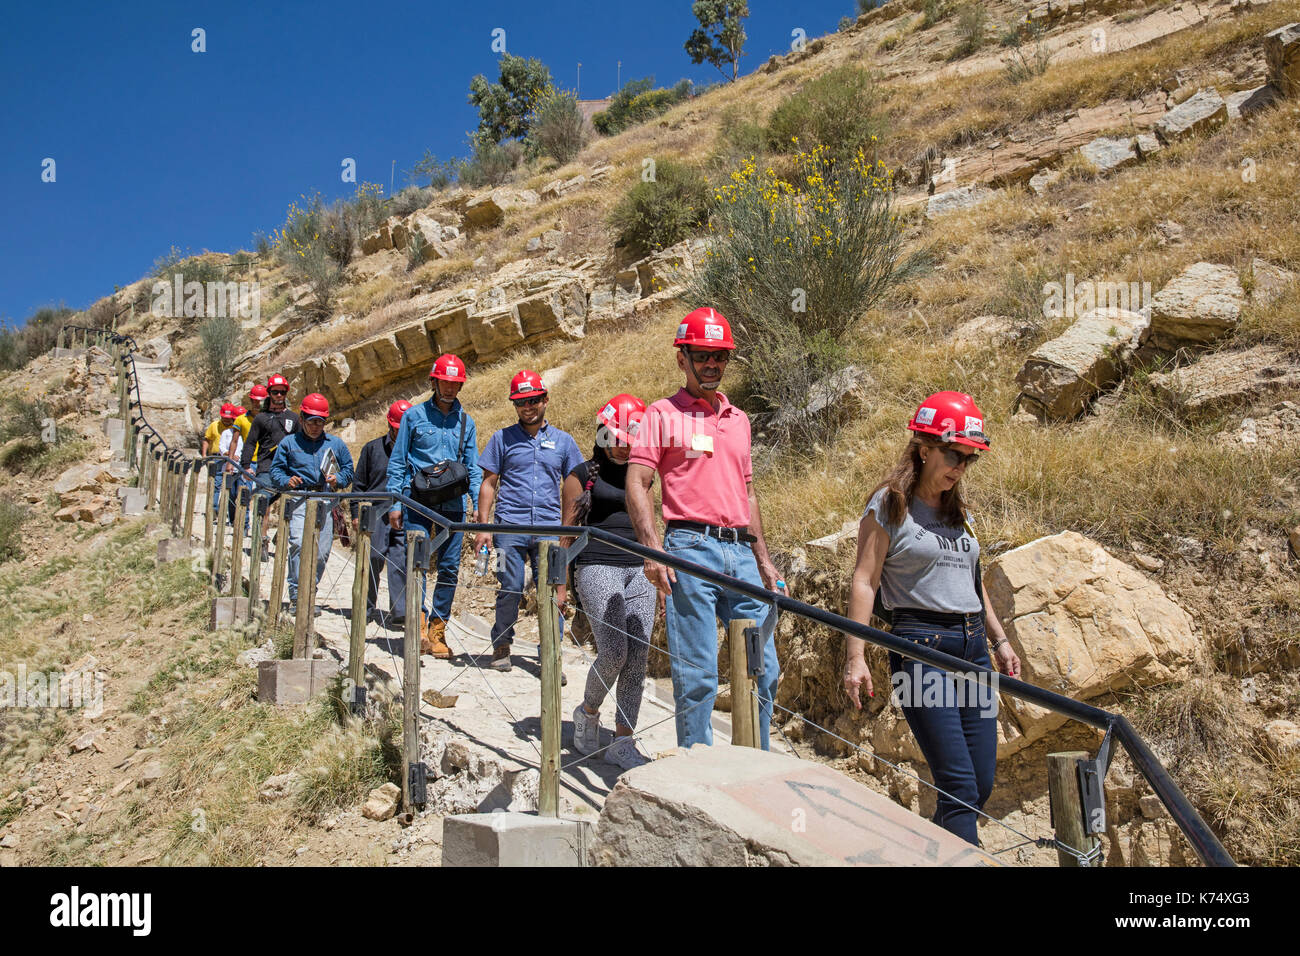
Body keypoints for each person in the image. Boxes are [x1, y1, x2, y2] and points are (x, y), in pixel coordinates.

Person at [843, 391, 1021, 847]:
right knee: (958, 785)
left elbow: (973, 585)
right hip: (919, 648)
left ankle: (934, 853)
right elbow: (864, 580)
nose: (960, 466)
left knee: (978, 785)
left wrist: (999, 641)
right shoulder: (889, 503)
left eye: (969, 459)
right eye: (953, 454)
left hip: (973, 648)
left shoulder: (959, 513)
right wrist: (855, 655)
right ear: (924, 449)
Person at [626, 308, 784, 750]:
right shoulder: (660, 414)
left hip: (741, 554)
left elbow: (747, 494)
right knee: (697, 675)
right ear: (683, 359)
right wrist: (653, 551)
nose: (712, 364)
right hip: (689, 550)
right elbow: (638, 483)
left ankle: (756, 768)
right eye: (703, 355)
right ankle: (703, 778)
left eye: (720, 356)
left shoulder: (739, 419)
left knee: (762, 670)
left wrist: (764, 560)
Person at [561, 394, 656, 770]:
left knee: (639, 654)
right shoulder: (582, 474)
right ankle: (587, 710)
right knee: (615, 651)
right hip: (597, 563)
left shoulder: (644, 475)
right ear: (603, 433)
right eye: (616, 436)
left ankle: (623, 738)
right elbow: (565, 534)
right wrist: (560, 585)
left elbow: (651, 524)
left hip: (640, 568)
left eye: (630, 437)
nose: (623, 444)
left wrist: (660, 567)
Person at [474, 369, 582, 673]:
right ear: (515, 405)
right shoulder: (501, 438)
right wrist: (483, 528)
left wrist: (568, 532)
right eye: (521, 402)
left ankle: (550, 654)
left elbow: (574, 488)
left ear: (545, 399)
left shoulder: (563, 442)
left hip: (549, 530)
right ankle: (502, 644)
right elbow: (488, 484)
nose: (528, 407)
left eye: (534, 400)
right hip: (508, 528)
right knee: (509, 585)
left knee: (552, 591)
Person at [385, 355, 482, 656]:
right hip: (417, 503)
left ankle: (438, 630)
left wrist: (478, 503)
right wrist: (395, 502)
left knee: (450, 568)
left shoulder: (466, 422)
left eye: (456, 383)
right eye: (446, 382)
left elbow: (473, 466)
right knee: (418, 564)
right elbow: (398, 461)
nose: (451, 388)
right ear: (434, 381)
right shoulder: (414, 417)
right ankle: (418, 628)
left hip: (452, 505)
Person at [270, 393, 355, 608]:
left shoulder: (335, 444)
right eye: (311, 421)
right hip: (299, 498)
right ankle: (297, 595)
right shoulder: (289, 443)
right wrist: (287, 481)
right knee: (298, 544)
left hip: (326, 500)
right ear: (301, 419)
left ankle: (310, 591)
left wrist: (339, 479)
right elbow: (276, 471)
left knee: (322, 551)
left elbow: (348, 470)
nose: (315, 426)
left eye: (320, 422)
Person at [355, 400, 411, 627]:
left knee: (400, 560)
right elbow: (359, 484)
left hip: (404, 511)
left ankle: (400, 612)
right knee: (373, 558)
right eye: (398, 429)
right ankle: (365, 607)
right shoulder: (372, 449)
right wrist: (355, 512)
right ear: (390, 426)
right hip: (376, 511)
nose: (401, 433)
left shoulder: (415, 452)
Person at [201, 403, 238, 523]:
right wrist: (205, 455)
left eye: (228, 418)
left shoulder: (236, 428)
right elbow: (207, 439)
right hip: (217, 458)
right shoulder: (214, 426)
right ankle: (213, 511)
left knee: (229, 487)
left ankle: (226, 512)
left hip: (232, 459)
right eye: (224, 418)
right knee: (215, 485)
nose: (226, 420)